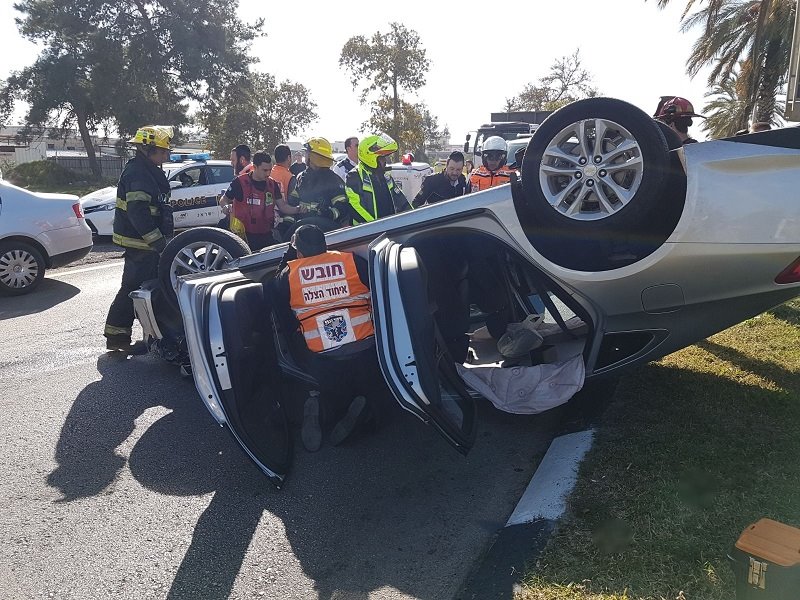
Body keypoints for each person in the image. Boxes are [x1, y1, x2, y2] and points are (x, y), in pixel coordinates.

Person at [272, 224, 383, 451]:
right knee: (375, 393)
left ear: (298, 252)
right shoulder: (351, 261)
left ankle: (317, 405)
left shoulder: (289, 275)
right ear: (325, 245)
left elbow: (276, 296)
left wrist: (288, 255)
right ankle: (365, 407)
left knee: (328, 386)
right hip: (366, 347)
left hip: (322, 355)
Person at [104, 125, 175, 352]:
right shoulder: (138, 174)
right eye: (163, 151)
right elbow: (138, 213)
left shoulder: (147, 170)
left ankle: (149, 336)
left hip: (145, 243)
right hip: (140, 243)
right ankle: (117, 338)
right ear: (148, 149)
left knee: (148, 289)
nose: (166, 156)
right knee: (132, 289)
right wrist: (158, 242)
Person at [278, 137, 349, 238]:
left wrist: (327, 213)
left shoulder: (334, 181)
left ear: (313, 156)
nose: (305, 155)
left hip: (327, 235)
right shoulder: (301, 178)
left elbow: (341, 208)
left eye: (307, 152)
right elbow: (292, 204)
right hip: (302, 234)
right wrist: (287, 226)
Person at [218, 150, 281, 251]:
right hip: (243, 237)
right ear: (255, 167)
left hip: (266, 235)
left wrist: (298, 209)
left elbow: (284, 206)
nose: (268, 173)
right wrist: (225, 206)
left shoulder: (272, 184)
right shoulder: (240, 182)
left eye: (270, 170)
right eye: (265, 170)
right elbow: (223, 200)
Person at [345, 132, 411, 225]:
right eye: (381, 158)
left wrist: (414, 217)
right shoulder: (354, 176)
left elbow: (401, 200)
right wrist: (376, 226)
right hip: (366, 233)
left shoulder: (385, 175)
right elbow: (355, 206)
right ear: (369, 156)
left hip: (388, 229)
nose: (385, 161)